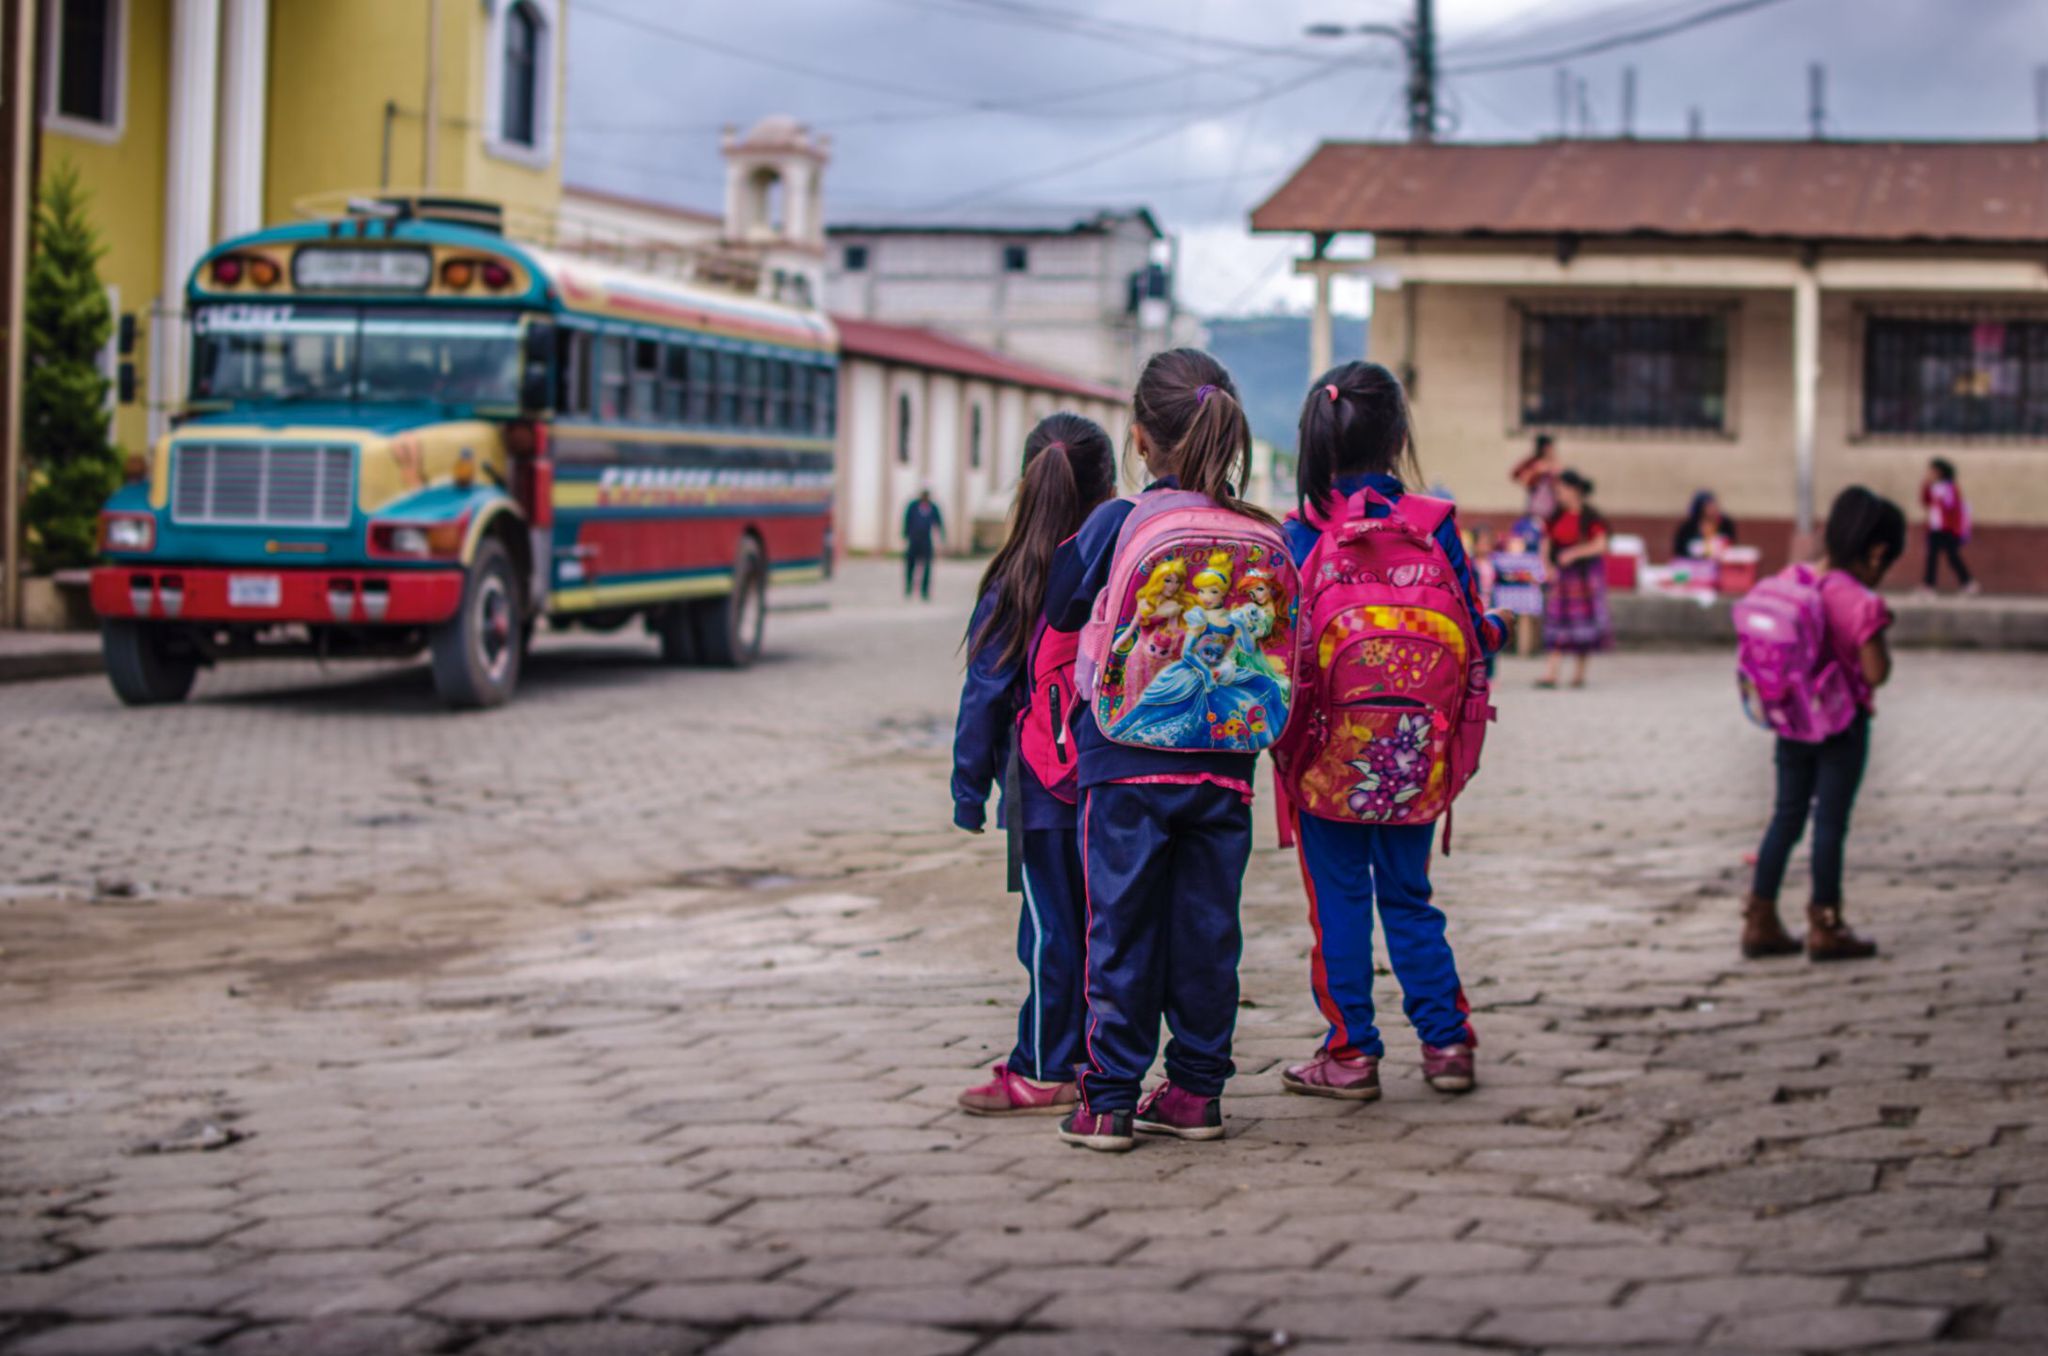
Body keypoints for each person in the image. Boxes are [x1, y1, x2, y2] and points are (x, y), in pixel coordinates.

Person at [1041, 348, 1270, 1152]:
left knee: (1123, 924)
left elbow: (1064, 600)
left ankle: (1107, 1101)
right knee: (1209, 928)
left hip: (1125, 757)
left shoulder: (1119, 521)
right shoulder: (1254, 529)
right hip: (1226, 758)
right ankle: (1197, 1093)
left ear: (1140, 439)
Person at [1277, 362, 1512, 1102]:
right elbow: (1474, 635)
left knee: (1339, 900)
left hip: (1325, 756)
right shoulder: (1434, 525)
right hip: (1417, 751)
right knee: (1409, 897)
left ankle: (1349, 1055)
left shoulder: (1298, 533)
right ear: (1400, 434)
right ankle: (1445, 1044)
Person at [951, 414, 1117, 1115]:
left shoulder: (1016, 576)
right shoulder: (1118, 562)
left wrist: (969, 789)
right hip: (1115, 782)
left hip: (1042, 791)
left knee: (1050, 930)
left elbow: (985, 695)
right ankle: (1103, 1055)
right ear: (1107, 485)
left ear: (1028, 484)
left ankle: (1045, 1065)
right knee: (1108, 926)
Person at [1742, 486, 1903, 964]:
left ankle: (1760, 918)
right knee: (1829, 825)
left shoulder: (1796, 579)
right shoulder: (1859, 601)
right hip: (1841, 729)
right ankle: (1826, 925)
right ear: (1877, 552)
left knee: (1785, 817)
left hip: (1791, 723)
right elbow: (1876, 673)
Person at [1538, 470, 1611, 689]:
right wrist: (1547, 566)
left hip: (1583, 577)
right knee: (1556, 622)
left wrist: (1574, 553)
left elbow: (1600, 544)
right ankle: (1551, 672)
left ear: (1575, 490)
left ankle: (1579, 673)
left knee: (1583, 625)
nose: (1558, 494)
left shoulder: (1590, 517)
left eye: (1562, 489)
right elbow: (1546, 542)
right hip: (1562, 578)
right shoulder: (1556, 516)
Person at [1921, 458, 1977, 595]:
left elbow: (1952, 508)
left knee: (1952, 556)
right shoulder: (1933, 487)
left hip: (1948, 529)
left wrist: (1956, 529)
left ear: (1940, 472)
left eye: (1933, 471)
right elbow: (1925, 501)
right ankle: (1928, 586)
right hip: (1935, 528)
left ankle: (1968, 583)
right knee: (1931, 556)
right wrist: (1926, 484)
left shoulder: (1950, 487)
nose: (1930, 473)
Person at [903, 489, 945, 600]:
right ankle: (909, 586)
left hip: (926, 540)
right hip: (914, 539)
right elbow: (906, 520)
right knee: (910, 565)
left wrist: (941, 538)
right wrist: (905, 535)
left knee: (927, 566)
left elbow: (939, 523)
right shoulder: (913, 506)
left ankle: (924, 590)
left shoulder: (933, 507)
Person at [1673, 490, 1738, 560]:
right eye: (1708, 506)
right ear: (1700, 508)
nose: (1713, 509)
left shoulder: (1725, 523)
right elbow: (1679, 550)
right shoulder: (1688, 526)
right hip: (1694, 563)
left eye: (1714, 505)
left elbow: (1732, 544)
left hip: (1719, 562)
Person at [1510, 433, 1561, 521]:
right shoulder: (1533, 462)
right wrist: (1536, 472)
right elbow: (1518, 475)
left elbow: (1559, 480)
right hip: (1537, 502)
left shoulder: (1553, 462)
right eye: (1549, 447)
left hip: (1551, 502)